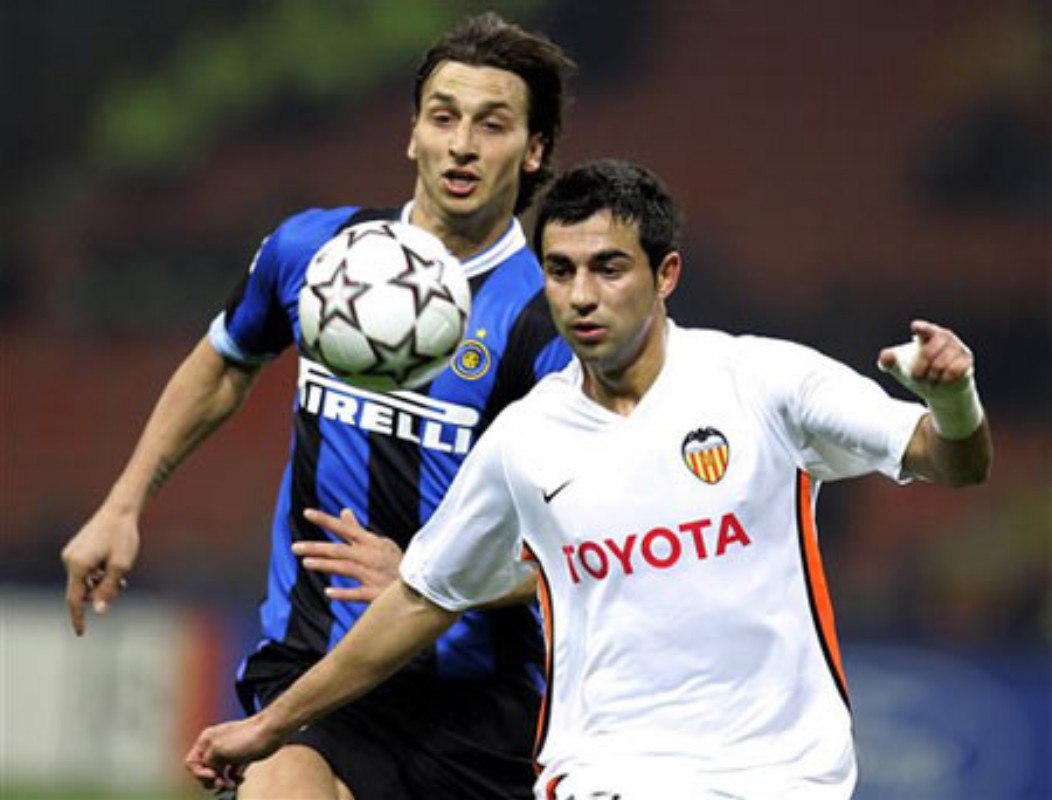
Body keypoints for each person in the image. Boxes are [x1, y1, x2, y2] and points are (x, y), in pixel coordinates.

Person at [185, 158, 993, 799]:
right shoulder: (525, 438)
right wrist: (269, 726)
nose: (581, 297)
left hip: (784, 777)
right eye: (560, 270)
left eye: (608, 268)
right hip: (608, 774)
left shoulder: (764, 383)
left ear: (665, 274)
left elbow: (953, 460)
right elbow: (422, 598)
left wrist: (952, 397)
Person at [61, 12, 576, 800]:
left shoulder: (552, 321)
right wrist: (123, 504)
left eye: (492, 124)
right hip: (315, 667)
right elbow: (225, 362)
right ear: (412, 134)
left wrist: (440, 578)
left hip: (484, 698)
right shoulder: (316, 252)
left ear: (533, 150)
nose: (462, 145)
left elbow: (591, 535)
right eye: (443, 118)